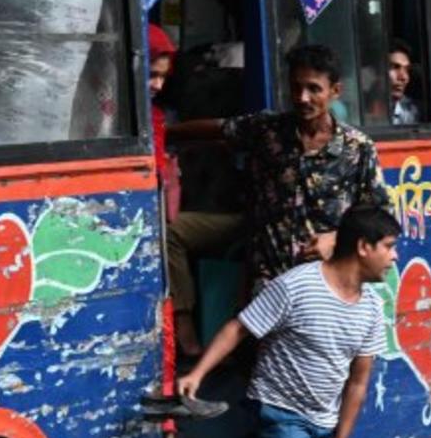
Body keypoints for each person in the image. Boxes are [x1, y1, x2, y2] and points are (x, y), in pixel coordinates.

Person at [174, 205, 400, 438]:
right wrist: (196, 374)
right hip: (279, 414)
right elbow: (239, 328)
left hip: (326, 423)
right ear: (363, 247)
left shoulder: (372, 308)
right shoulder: (296, 286)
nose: (394, 257)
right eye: (388, 246)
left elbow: (358, 382)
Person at [164, 43, 390, 356]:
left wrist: (336, 239)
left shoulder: (358, 148)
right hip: (267, 278)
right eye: (296, 88)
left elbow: (380, 219)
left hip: (321, 285)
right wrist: (164, 133)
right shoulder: (267, 130)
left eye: (314, 89)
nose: (303, 98)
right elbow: (218, 128)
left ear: (335, 91)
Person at [146, 23, 200, 438]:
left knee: (164, 351)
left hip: (154, 244)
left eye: (163, 77)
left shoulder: (157, 121)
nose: (157, 85)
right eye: (150, 74)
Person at [387, 39, 421, 126]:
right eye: (395, 67)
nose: (404, 77)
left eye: (407, 70)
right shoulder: (354, 113)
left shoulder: (410, 111)